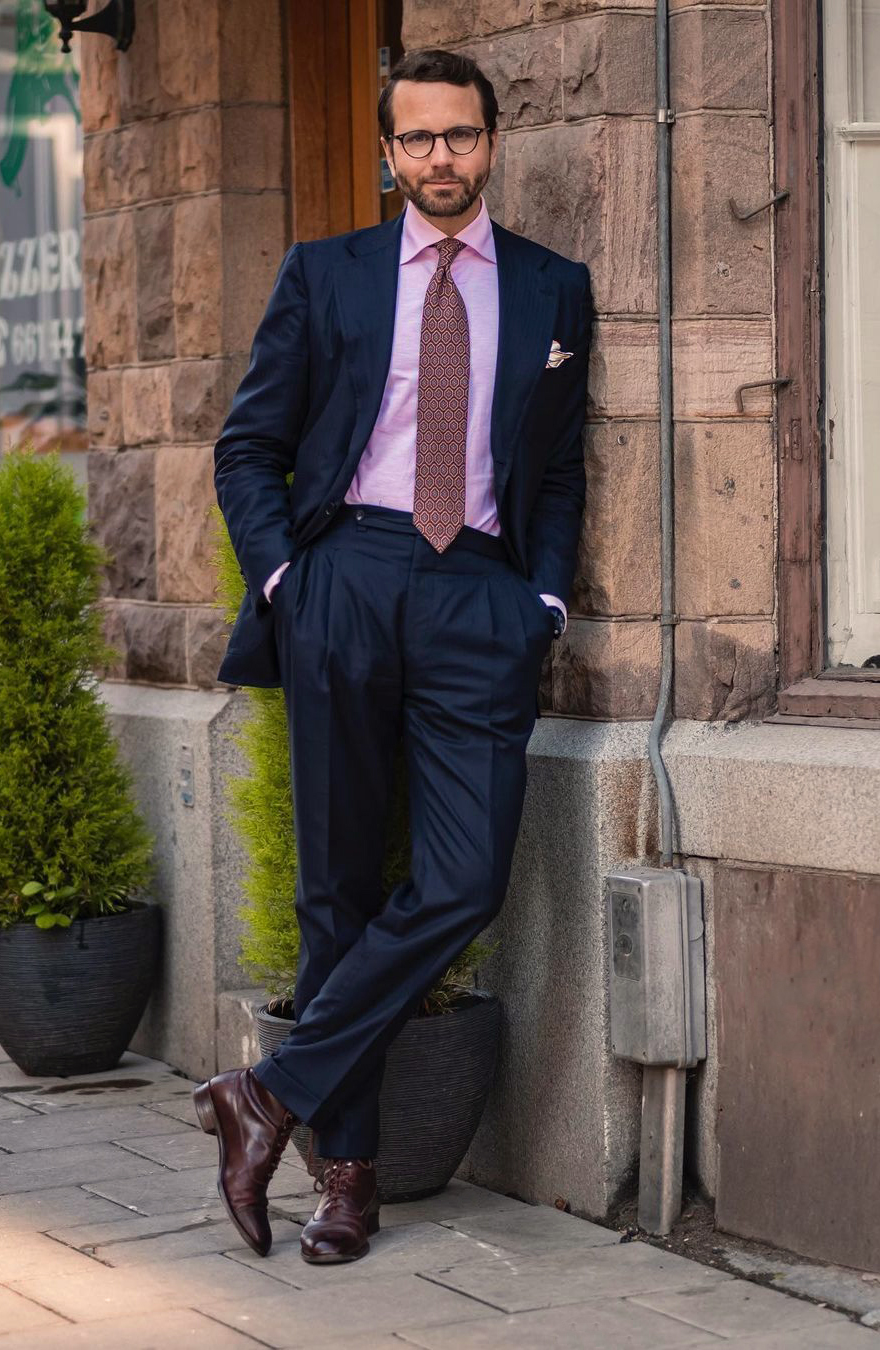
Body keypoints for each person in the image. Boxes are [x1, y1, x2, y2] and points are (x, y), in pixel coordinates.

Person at [193, 46, 594, 1266]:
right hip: (347, 581)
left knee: (465, 879)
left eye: (458, 136)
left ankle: (267, 1094)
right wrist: (287, 583)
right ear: (386, 156)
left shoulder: (551, 287)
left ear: (490, 142)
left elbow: (564, 464)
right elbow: (246, 447)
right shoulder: (326, 276)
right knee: (338, 890)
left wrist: (543, 599)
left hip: (479, 590)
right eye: (416, 140)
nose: (439, 158)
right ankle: (347, 1183)